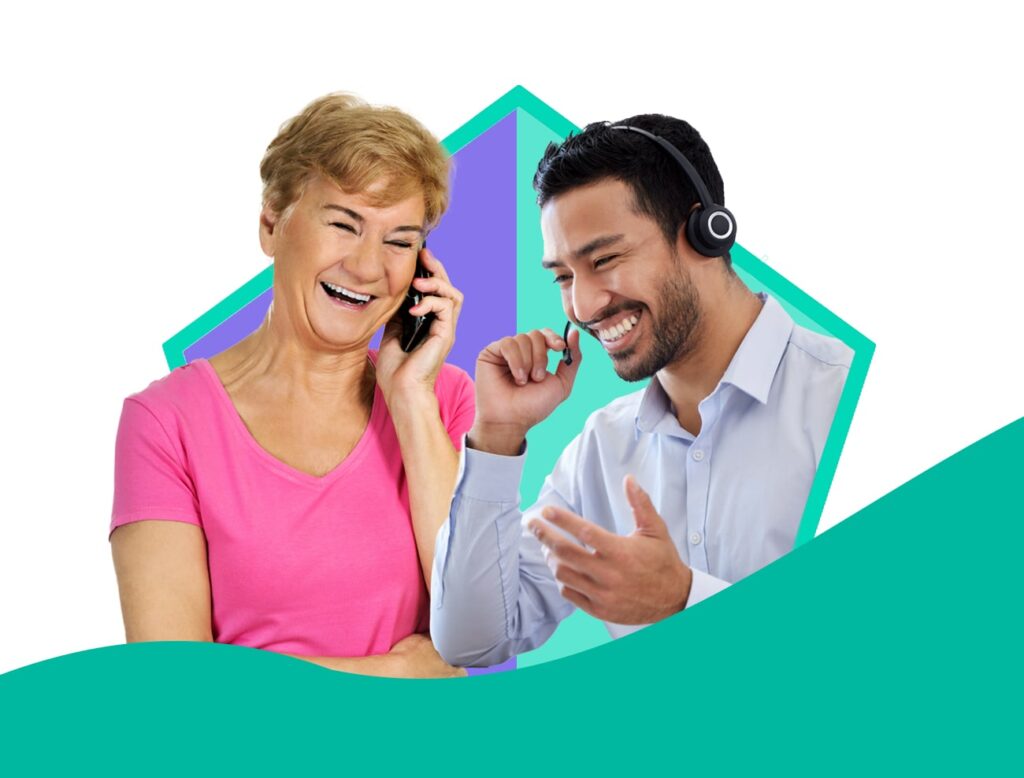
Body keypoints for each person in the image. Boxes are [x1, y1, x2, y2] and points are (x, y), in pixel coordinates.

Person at [430, 115, 852, 666]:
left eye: (604, 260)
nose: (582, 308)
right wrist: (497, 436)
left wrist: (683, 600)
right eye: (563, 276)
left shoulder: (842, 400)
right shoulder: (603, 449)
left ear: (706, 232)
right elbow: (473, 640)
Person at [110, 93, 472, 678]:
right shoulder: (166, 424)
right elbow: (171, 687)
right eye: (343, 225)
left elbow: (475, 631)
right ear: (271, 224)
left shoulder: (442, 400)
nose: (367, 266)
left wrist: (408, 400)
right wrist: (398, 675)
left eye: (400, 241)